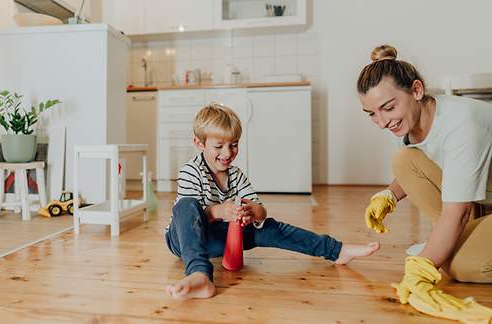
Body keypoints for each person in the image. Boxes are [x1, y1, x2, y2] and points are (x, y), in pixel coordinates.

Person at [164, 103, 380, 299]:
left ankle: (336, 251)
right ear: (199, 143)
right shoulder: (191, 171)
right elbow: (188, 217)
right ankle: (200, 275)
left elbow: (261, 211)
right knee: (186, 205)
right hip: (183, 239)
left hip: (221, 237)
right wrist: (218, 212)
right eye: (218, 146)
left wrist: (252, 212)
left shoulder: (236, 175)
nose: (227, 153)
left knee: (270, 227)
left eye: (234, 145)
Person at [358, 45, 492, 321]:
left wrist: (423, 268)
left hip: (474, 204)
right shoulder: (405, 120)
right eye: (371, 113)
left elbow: (458, 211)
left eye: (387, 108)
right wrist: (389, 194)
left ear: (416, 91)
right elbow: (417, 166)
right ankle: (454, 239)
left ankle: (452, 243)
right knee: (404, 159)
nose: (381, 122)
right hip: (484, 197)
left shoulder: (460, 124)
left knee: (462, 266)